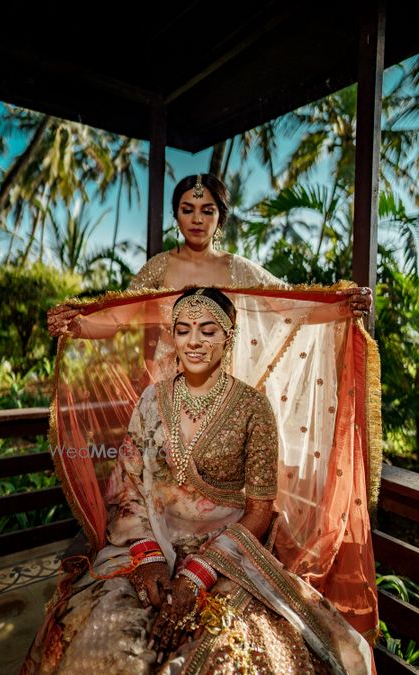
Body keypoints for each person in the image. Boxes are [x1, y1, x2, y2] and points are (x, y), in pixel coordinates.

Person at [23, 287, 377, 674]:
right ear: (172, 336)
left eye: (208, 331)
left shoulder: (252, 408)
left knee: (231, 655)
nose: (194, 341)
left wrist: (198, 574)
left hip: (225, 554)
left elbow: (259, 510)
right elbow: (127, 485)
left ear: (228, 337)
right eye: (184, 329)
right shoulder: (151, 399)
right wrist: (148, 555)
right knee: (103, 642)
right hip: (146, 545)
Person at [47, 174, 372, 339]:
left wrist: (343, 305)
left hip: (224, 392)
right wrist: (75, 325)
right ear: (176, 216)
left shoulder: (237, 268)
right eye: (188, 210)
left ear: (221, 218)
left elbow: (289, 304)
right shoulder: (159, 267)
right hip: (164, 389)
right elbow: (117, 318)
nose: (198, 220)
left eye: (208, 210)